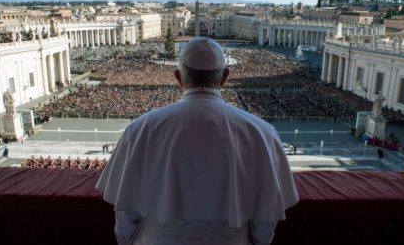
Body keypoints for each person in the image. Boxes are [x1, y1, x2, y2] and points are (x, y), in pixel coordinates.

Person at [97, 37, 298, 245]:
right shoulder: (262, 132)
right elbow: (265, 220)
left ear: (178, 77)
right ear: (225, 77)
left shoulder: (139, 129)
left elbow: (125, 214)